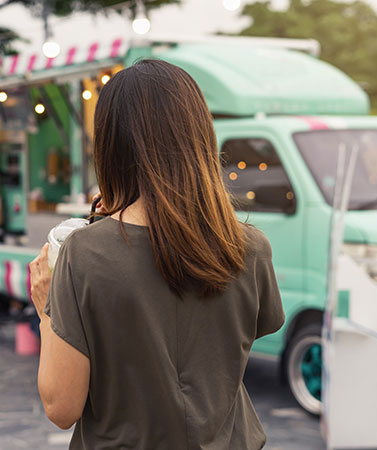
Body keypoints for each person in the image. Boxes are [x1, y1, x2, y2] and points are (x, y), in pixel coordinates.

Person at [29, 59, 285, 449]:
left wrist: (48, 310)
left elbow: (61, 406)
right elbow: (248, 335)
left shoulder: (84, 253)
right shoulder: (250, 247)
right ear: (200, 134)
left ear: (110, 144)